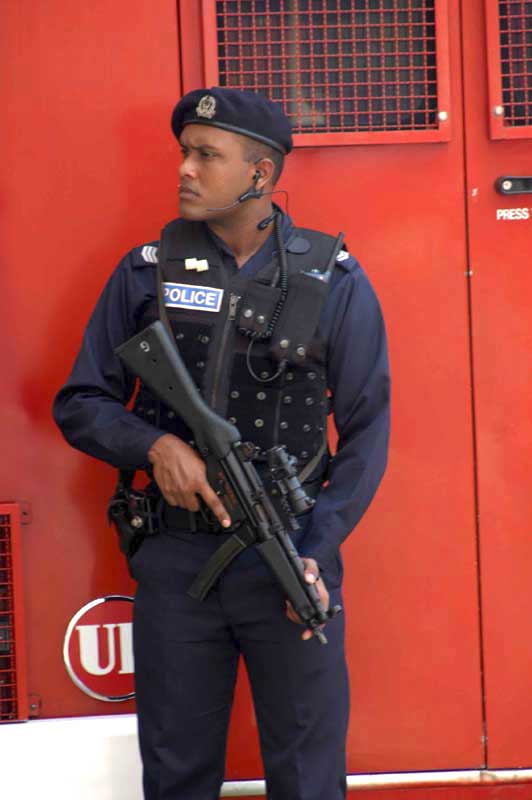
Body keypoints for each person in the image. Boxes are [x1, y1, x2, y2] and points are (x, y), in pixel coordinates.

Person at [54, 87, 390, 800]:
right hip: (177, 564)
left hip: (289, 556)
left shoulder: (334, 281)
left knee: (307, 779)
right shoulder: (146, 271)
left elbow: (366, 432)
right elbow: (81, 401)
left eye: (207, 155)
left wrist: (316, 548)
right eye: (185, 152)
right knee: (176, 776)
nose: (185, 169)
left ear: (260, 174)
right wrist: (153, 448)